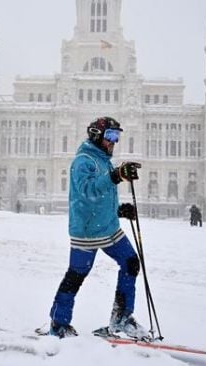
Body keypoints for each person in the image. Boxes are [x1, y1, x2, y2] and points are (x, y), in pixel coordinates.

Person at [46, 116, 148, 339]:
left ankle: (121, 318)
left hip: (108, 227)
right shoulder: (83, 161)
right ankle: (58, 324)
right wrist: (116, 175)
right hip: (87, 231)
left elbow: (102, 196)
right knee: (76, 275)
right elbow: (88, 191)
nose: (114, 141)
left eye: (117, 136)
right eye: (111, 136)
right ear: (96, 135)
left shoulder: (102, 159)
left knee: (131, 262)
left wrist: (119, 210)